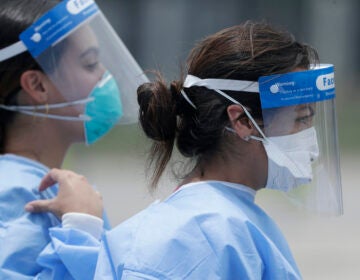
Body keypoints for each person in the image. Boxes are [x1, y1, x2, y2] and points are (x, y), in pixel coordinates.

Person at [26, 21, 343, 279]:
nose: (310, 140)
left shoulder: (219, 220)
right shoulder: (199, 235)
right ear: (243, 120)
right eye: (301, 118)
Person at [0, 0, 147, 278]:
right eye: (90, 63)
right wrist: (82, 228)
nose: (105, 74)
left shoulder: (42, 187)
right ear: (37, 85)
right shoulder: (17, 197)